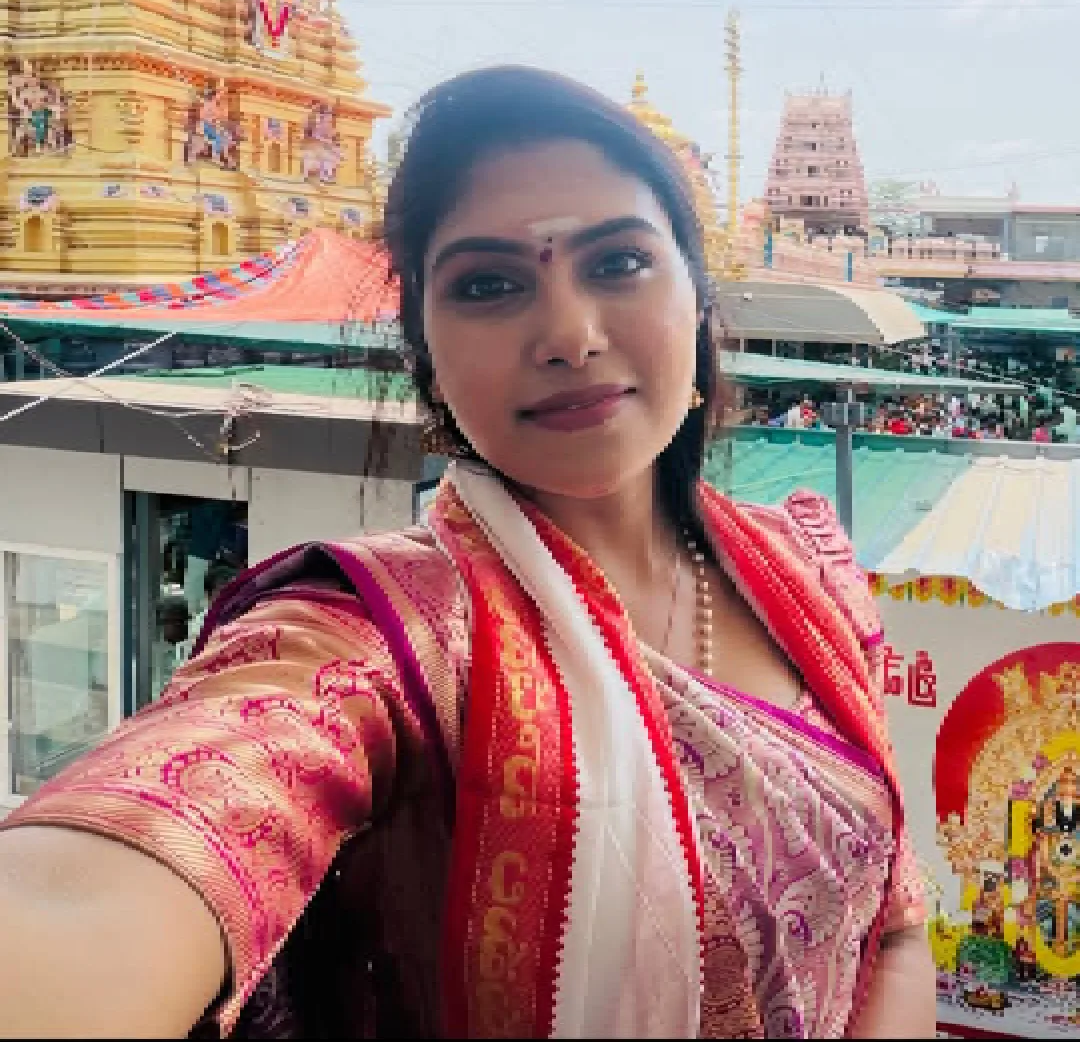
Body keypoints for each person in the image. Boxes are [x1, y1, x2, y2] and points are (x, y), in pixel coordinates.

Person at [0, 66, 934, 1039]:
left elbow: (897, 925)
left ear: (698, 300)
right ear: (427, 361)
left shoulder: (811, 575)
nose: (570, 335)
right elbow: (121, 863)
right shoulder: (381, 643)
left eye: (617, 264)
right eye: (490, 285)